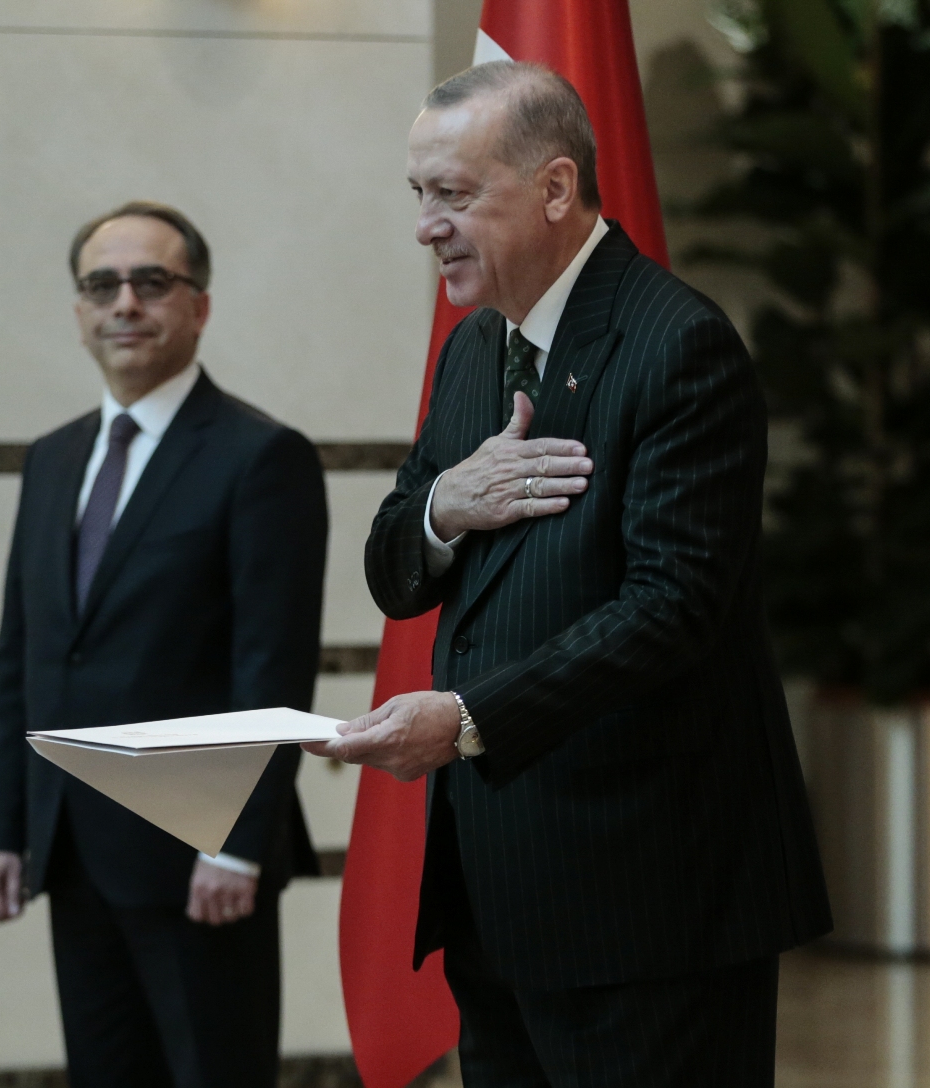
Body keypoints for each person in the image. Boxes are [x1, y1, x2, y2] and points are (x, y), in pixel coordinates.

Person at [308, 63, 831, 1087]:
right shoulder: (473, 350)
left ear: (554, 188)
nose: (425, 226)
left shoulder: (678, 344)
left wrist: (465, 718)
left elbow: (669, 608)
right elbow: (393, 571)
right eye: (417, 193)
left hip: (648, 899)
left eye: (453, 194)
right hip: (499, 893)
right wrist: (443, 505)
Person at [0, 202, 329, 1088]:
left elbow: (271, 668)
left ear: (198, 306)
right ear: (79, 312)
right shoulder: (52, 460)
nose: (124, 303)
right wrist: (2, 829)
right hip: (72, 848)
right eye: (102, 286)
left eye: (151, 282)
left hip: (195, 855)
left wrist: (234, 845)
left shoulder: (260, 457)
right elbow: (23, 658)